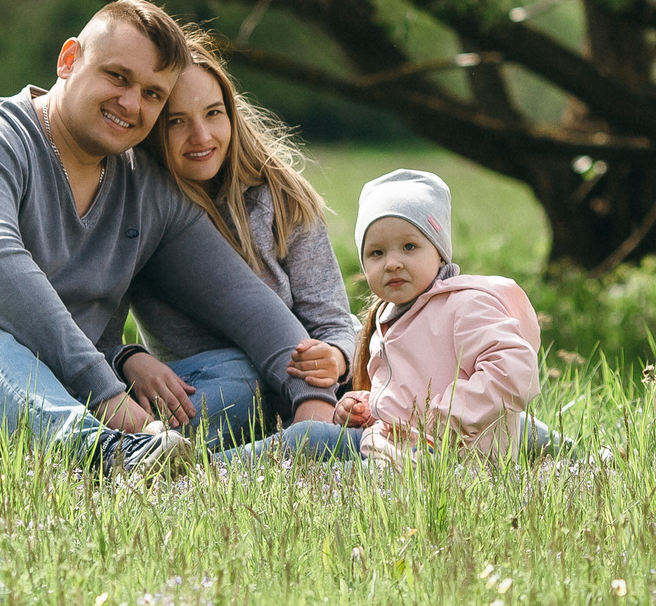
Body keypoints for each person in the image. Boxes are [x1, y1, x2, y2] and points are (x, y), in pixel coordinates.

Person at [0, 0, 334, 474]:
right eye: (117, 77)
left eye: (152, 95)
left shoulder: (144, 185)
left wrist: (313, 402)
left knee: (237, 375)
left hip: (63, 407)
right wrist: (106, 392)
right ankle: (117, 462)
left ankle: (187, 467)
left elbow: (243, 300)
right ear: (69, 59)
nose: (130, 103)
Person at [218, 167, 543, 465]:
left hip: (448, 457)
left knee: (312, 442)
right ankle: (200, 465)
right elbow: (408, 392)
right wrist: (367, 406)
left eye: (409, 247)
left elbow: (514, 368)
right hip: (396, 447)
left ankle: (208, 467)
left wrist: (444, 419)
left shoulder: (464, 306)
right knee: (311, 438)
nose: (392, 263)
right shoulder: (389, 318)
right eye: (377, 252)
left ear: (440, 251)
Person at [121, 39, 353, 441]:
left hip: (302, 390)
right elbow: (88, 317)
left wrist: (335, 357)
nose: (201, 135)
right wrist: (128, 357)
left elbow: (331, 318)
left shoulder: (280, 198)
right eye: (176, 121)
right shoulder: (140, 211)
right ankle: (291, 450)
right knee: (240, 377)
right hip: (206, 392)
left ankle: (298, 446)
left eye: (213, 113)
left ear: (232, 114)